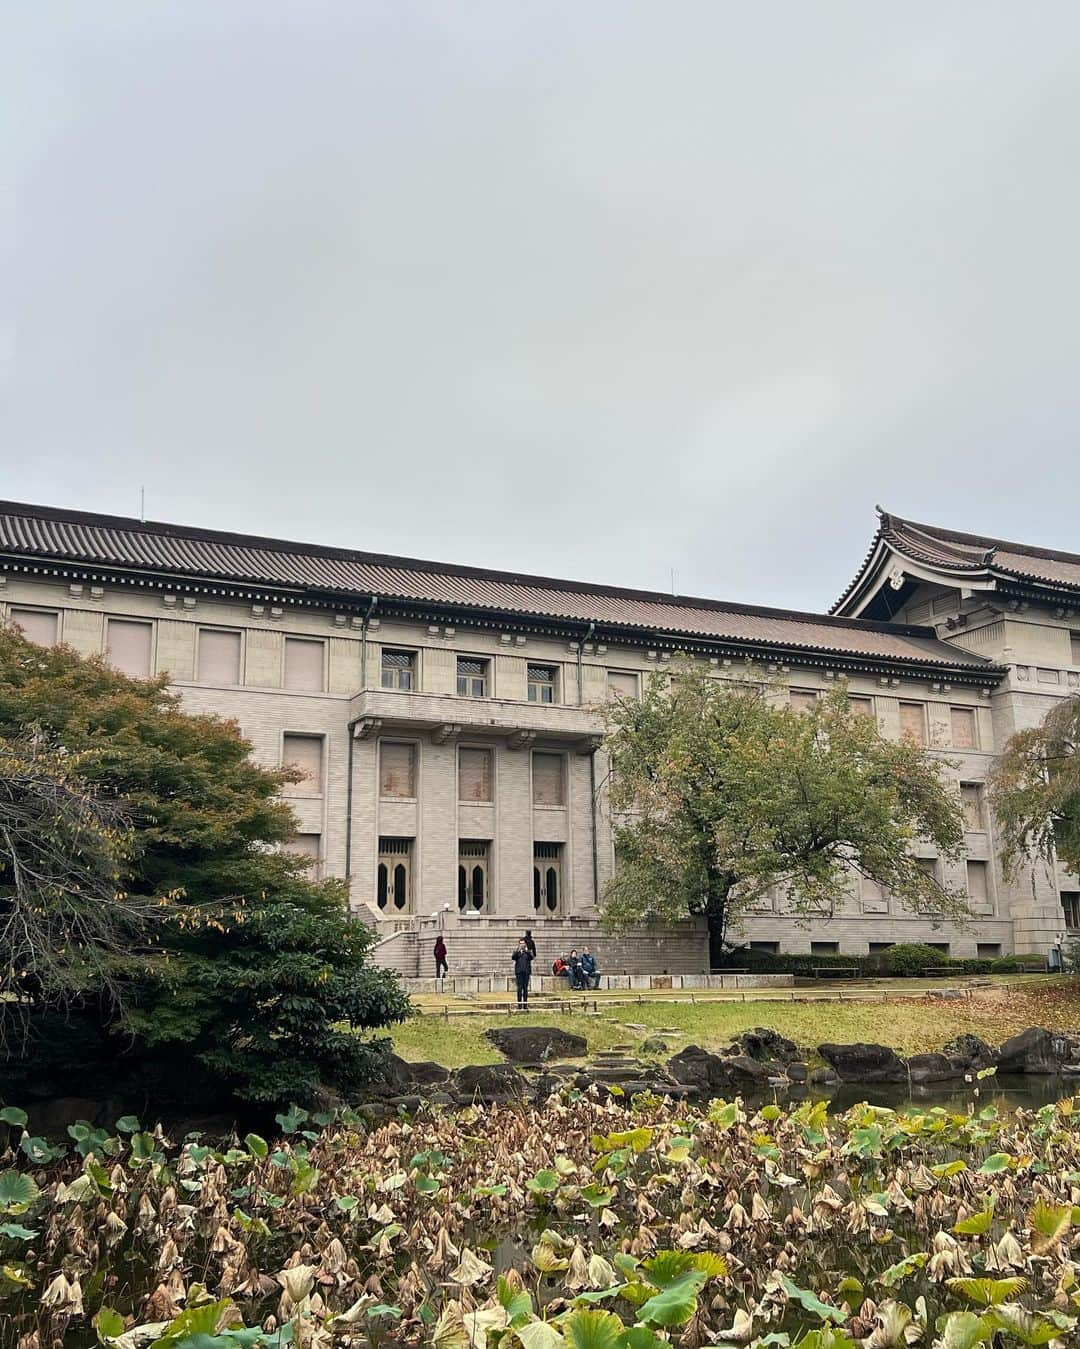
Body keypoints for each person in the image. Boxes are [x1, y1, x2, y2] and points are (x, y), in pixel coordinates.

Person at [512, 939, 533, 1007]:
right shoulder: (516, 952)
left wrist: (526, 951)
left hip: (526, 972)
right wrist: (518, 951)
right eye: (520, 943)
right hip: (519, 972)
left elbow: (531, 957)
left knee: (525, 988)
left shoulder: (528, 952)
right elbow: (513, 957)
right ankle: (519, 1004)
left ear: (525, 944)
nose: (522, 945)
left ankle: (525, 1004)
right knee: (519, 988)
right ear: (519, 944)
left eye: (523, 943)